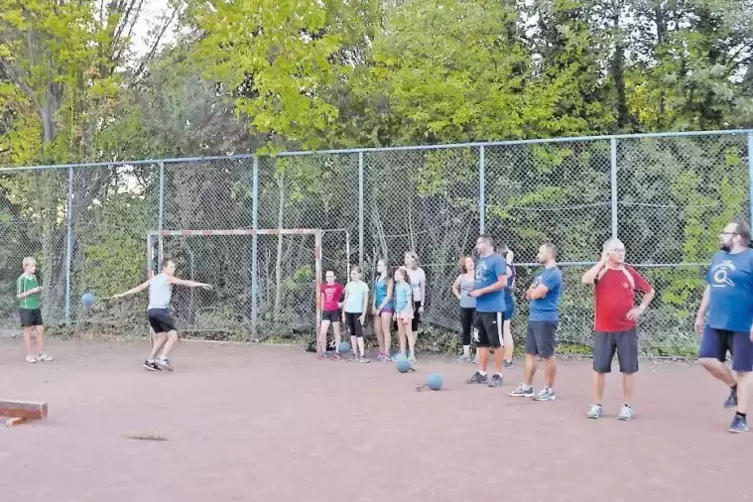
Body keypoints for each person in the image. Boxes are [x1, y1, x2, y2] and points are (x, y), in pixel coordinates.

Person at [581, 238, 654, 420]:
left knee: (628, 369)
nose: (621, 253)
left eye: (622, 250)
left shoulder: (629, 272)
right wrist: (601, 261)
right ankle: (597, 405)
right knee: (599, 369)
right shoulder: (601, 271)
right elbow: (586, 280)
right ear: (607, 252)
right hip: (603, 329)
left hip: (626, 329)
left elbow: (649, 291)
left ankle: (627, 406)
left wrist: (640, 309)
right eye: (616, 250)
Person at [694, 221, 753, 433]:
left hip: (743, 324)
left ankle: (741, 416)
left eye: (725, 232)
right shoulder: (718, 257)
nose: (721, 236)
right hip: (716, 320)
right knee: (706, 359)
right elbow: (710, 287)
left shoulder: (751, 258)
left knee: (744, 370)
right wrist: (700, 314)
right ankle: (735, 388)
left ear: (737, 237)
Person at [113, 258, 212, 371]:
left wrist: (122, 294)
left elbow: (139, 288)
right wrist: (201, 284)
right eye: (171, 267)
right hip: (160, 311)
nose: (173, 269)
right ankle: (163, 358)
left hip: (151, 312)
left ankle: (150, 361)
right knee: (173, 336)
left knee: (162, 337)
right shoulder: (168, 278)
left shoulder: (154, 279)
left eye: (174, 267)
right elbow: (185, 282)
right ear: (164, 268)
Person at [509, 243, 562, 401]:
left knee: (547, 355)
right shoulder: (541, 273)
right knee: (530, 353)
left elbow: (537, 293)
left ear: (550, 255)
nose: (537, 255)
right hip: (534, 318)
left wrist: (534, 292)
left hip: (546, 319)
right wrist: (533, 292)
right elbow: (528, 294)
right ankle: (527, 387)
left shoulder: (554, 274)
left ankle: (549, 389)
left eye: (540, 253)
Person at [466, 234, 508, 387]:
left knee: (496, 342)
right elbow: (482, 282)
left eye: (479, 243)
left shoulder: (497, 260)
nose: (476, 246)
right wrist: (474, 289)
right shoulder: (481, 261)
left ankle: (498, 374)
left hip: (493, 308)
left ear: (487, 243)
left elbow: (503, 283)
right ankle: (482, 373)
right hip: (480, 307)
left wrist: (482, 291)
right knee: (481, 341)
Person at [16, 256, 52, 363]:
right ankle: (28, 355)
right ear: (25, 267)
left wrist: (39, 289)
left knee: (40, 329)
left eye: (35, 266)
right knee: (28, 331)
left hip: (35, 307)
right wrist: (32, 291)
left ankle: (40, 354)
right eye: (32, 266)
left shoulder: (34, 278)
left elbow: (36, 290)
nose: (34, 268)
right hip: (26, 308)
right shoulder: (21, 279)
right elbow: (19, 296)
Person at [342, 266, 369, 363]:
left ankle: (362, 354)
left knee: (359, 333)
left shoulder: (364, 286)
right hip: (349, 311)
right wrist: (343, 313)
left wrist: (363, 315)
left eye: (355, 274)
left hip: (358, 312)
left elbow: (365, 302)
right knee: (352, 332)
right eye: (352, 274)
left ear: (360, 275)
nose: (353, 276)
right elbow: (345, 299)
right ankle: (355, 353)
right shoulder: (348, 285)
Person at [452, 255, 476, 362]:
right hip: (464, 306)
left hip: (476, 306)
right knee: (466, 330)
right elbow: (454, 287)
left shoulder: (478, 275)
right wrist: (458, 296)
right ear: (464, 265)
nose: (470, 263)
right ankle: (466, 354)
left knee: (477, 330)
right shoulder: (461, 277)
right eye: (468, 262)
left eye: (471, 261)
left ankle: (478, 355)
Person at [318, 270, 344, 360]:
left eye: (330, 276)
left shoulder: (338, 286)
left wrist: (342, 303)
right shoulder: (323, 287)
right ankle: (324, 352)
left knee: (336, 331)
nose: (329, 278)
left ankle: (337, 352)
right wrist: (322, 308)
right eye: (327, 276)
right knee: (322, 332)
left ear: (334, 277)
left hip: (335, 311)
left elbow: (347, 294)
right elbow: (322, 297)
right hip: (326, 311)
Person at [393, 267, 416, 363]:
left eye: (397, 275)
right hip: (399, 312)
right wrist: (395, 313)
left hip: (406, 311)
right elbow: (397, 301)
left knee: (408, 333)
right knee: (401, 333)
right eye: (394, 275)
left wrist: (406, 315)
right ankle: (403, 353)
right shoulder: (397, 286)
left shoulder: (407, 286)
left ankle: (412, 354)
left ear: (402, 276)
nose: (395, 276)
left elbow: (409, 302)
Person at [373, 259, 394, 361]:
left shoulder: (389, 279)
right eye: (377, 265)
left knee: (385, 329)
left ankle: (387, 352)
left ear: (385, 267)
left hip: (386, 306)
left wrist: (380, 307)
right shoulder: (377, 278)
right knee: (377, 329)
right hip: (377, 306)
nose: (378, 267)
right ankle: (381, 350)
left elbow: (389, 296)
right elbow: (375, 294)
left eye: (380, 265)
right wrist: (374, 306)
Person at [499, 245, 516, 368]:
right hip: (503, 300)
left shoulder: (507, 267)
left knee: (505, 330)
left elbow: (507, 274)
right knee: (501, 331)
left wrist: (508, 261)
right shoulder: (508, 267)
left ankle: (508, 359)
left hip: (504, 301)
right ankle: (504, 358)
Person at [402, 251, 426, 335]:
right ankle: (403, 346)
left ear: (413, 259)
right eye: (405, 257)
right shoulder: (401, 270)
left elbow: (422, 289)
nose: (405, 259)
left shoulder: (420, 271)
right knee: (402, 324)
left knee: (414, 325)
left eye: (408, 257)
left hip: (416, 300)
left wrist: (422, 305)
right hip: (403, 301)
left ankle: (412, 346)